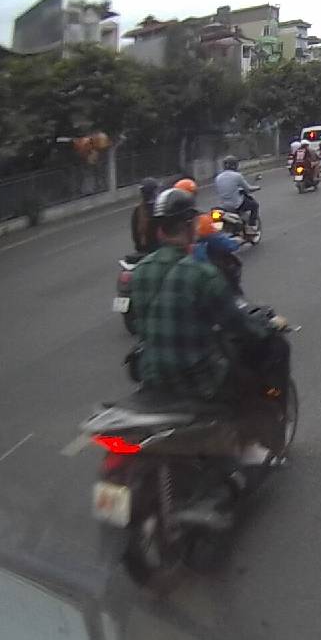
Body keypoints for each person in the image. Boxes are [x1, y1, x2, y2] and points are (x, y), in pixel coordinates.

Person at [130, 187, 289, 461]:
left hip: (150, 372)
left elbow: (142, 321)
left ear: (160, 230)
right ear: (190, 227)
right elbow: (236, 324)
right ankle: (253, 441)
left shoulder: (141, 271)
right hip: (198, 378)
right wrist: (266, 329)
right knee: (258, 370)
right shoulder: (201, 273)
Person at [215, 155, 261, 229]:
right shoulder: (237, 176)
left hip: (223, 205)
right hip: (236, 204)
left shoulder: (218, 177)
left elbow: (224, 189)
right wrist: (258, 187)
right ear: (235, 165)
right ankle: (252, 226)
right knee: (255, 205)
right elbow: (248, 189)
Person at [130, 177, 159, 256]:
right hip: (157, 251)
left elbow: (135, 234)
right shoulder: (160, 207)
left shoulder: (139, 209)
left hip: (143, 250)